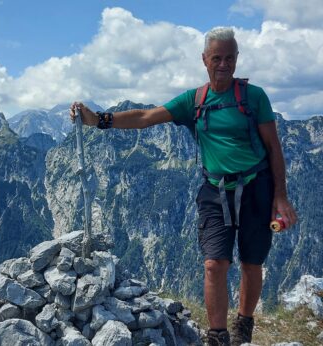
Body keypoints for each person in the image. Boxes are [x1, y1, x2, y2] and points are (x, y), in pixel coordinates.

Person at [70, 27, 297, 346]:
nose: (223, 64)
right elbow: (146, 117)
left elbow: (274, 148)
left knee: (251, 262)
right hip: (215, 192)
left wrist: (281, 197)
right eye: (216, 58)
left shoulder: (253, 97)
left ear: (236, 59)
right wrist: (99, 120)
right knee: (214, 263)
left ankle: (244, 322)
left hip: (257, 187)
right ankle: (217, 336)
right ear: (204, 59)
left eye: (229, 58)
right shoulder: (194, 101)